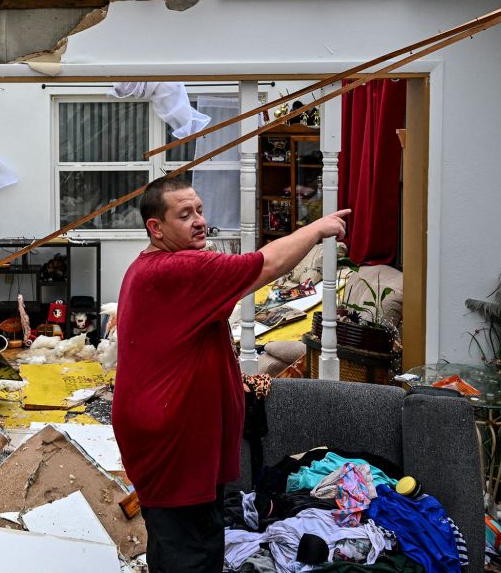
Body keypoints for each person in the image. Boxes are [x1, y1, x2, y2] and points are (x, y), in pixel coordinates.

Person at [112, 174, 350, 573]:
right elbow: (268, 263)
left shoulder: (156, 266)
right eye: (184, 215)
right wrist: (319, 228)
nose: (199, 221)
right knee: (188, 554)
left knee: (188, 542)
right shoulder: (179, 269)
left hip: (172, 438)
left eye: (200, 211)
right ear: (156, 228)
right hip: (173, 445)